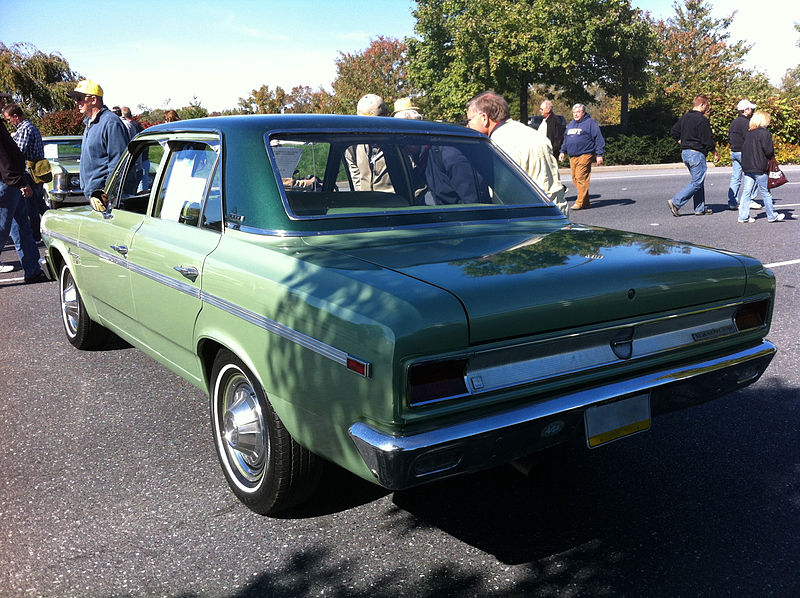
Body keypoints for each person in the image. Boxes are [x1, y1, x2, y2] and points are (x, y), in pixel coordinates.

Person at [466, 91, 568, 215]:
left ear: (484, 118)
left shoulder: (498, 143)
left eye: (470, 119)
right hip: (557, 211)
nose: (468, 125)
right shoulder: (531, 133)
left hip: (531, 219)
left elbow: (504, 194)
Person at [0, 112, 48, 282]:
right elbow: (5, 161)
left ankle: (33, 270)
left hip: (12, 182)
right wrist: (20, 182)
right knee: (2, 229)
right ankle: (33, 269)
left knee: (22, 227)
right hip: (8, 183)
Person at [66, 80, 130, 199]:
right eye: (76, 99)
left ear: (94, 100)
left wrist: (109, 194)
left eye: (80, 98)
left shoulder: (111, 123)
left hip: (104, 197)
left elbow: (117, 163)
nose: (77, 102)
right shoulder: (89, 123)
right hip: (93, 195)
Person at [667, 95, 719, 217]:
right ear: (702, 105)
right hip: (696, 154)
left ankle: (699, 208)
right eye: (707, 105)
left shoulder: (685, 117)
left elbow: (674, 132)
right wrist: (714, 152)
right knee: (697, 182)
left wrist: (682, 141)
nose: (707, 108)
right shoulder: (701, 120)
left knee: (698, 181)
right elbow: (707, 140)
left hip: (685, 153)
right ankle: (676, 202)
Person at [2, 103, 47, 242]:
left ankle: (36, 235)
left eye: (9, 119)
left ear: (16, 116)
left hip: (29, 173)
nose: (10, 123)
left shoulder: (25, 129)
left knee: (31, 206)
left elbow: (18, 152)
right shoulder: (30, 127)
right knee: (40, 205)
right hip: (37, 173)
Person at [738, 110, 785, 224]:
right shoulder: (765, 133)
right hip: (760, 167)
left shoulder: (749, 133)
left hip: (748, 167)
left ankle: (743, 217)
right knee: (766, 192)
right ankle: (772, 215)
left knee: (746, 192)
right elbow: (769, 151)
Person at [559, 104, 604, 210]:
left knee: (580, 177)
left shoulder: (590, 123)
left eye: (578, 112)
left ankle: (579, 202)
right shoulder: (571, 124)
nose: (576, 114)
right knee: (575, 179)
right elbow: (566, 139)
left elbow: (598, 138)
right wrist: (562, 151)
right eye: (574, 113)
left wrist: (599, 154)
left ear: (583, 112)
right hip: (573, 155)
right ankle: (586, 202)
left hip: (586, 154)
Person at [344, 94, 393, 192]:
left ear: (386, 115)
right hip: (366, 204)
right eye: (364, 122)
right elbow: (355, 172)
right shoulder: (354, 146)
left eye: (376, 121)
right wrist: (361, 196)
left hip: (396, 204)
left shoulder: (398, 143)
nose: (370, 127)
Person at [728, 99, 760, 210]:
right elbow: (750, 139)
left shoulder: (734, 122)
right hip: (744, 153)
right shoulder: (747, 123)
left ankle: (732, 201)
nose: (752, 111)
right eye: (751, 109)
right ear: (745, 110)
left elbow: (730, 137)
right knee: (753, 175)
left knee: (736, 178)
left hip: (734, 152)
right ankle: (750, 199)